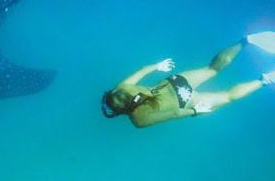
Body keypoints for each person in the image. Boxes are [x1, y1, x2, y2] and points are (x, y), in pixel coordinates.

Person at [101, 32, 275, 128]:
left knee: (228, 96)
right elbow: (141, 70)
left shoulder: (138, 119)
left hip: (183, 100)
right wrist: (157, 66)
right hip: (174, 81)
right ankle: (247, 41)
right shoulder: (121, 87)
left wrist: (195, 112)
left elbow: (174, 114)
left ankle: (266, 79)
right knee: (212, 69)